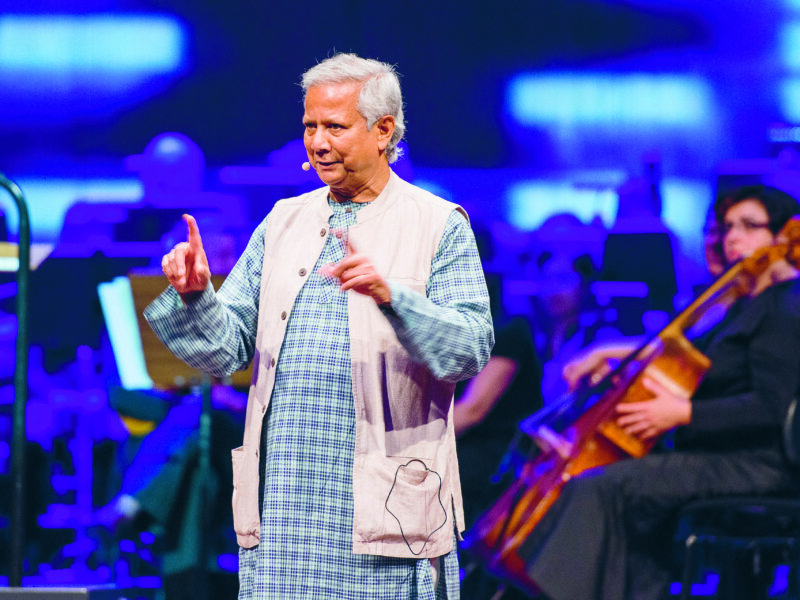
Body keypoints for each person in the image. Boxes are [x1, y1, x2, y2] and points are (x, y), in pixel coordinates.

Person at [143, 53, 494, 600]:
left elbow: (470, 348)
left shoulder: (437, 225)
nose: (318, 142)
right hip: (284, 501)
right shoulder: (283, 221)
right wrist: (195, 296)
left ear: (384, 131)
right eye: (310, 126)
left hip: (383, 510)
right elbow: (227, 349)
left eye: (335, 126)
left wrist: (394, 297)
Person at [516, 184, 800, 600]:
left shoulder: (786, 306)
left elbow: (773, 407)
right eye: (727, 227)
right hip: (714, 455)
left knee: (598, 488)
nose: (732, 237)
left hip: (756, 465)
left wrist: (684, 414)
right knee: (606, 491)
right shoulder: (745, 306)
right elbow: (683, 357)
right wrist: (617, 360)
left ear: (782, 235)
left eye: (749, 226)